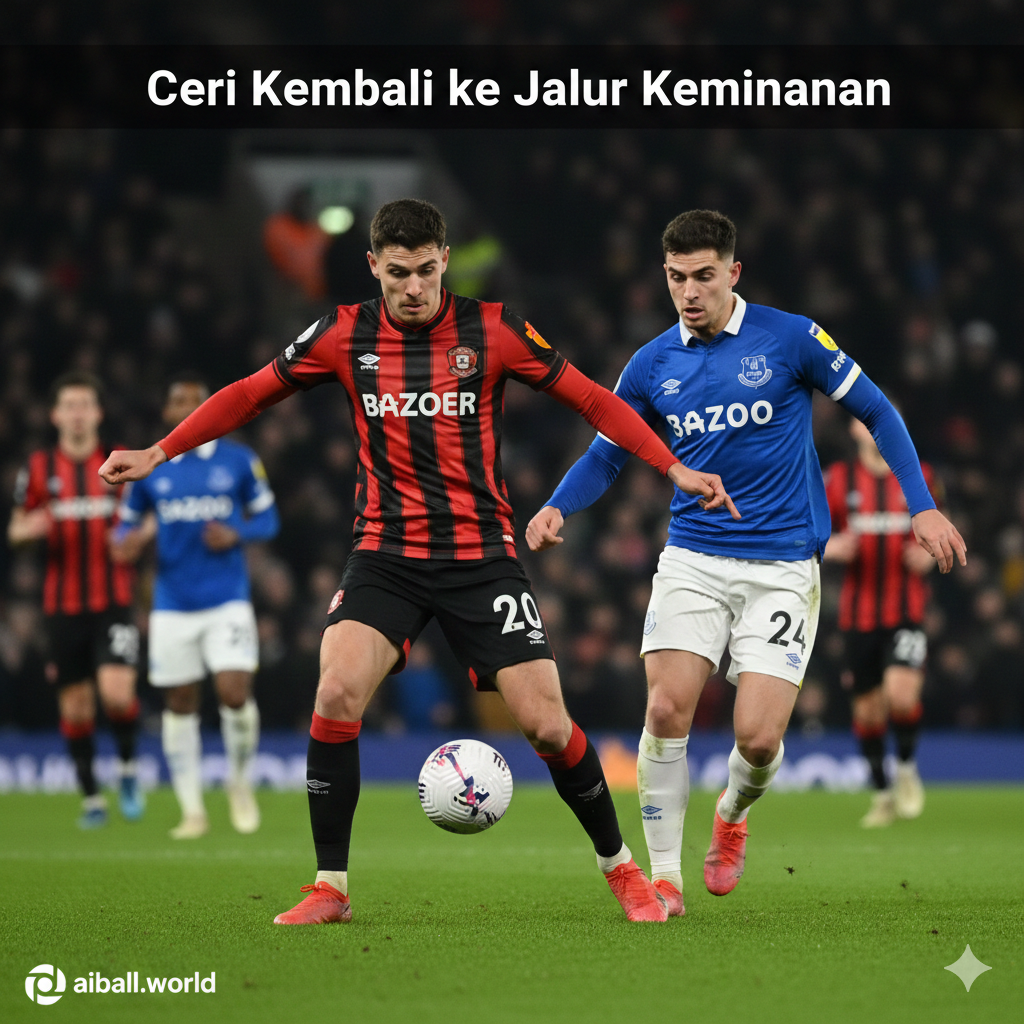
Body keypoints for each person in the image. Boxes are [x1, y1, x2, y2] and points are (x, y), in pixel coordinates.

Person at [99, 198, 737, 925]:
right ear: (373, 266)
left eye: (427, 271)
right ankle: (330, 887)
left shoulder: (492, 329)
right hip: (385, 554)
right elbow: (251, 394)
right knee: (336, 692)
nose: (413, 288)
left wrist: (672, 467)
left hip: (480, 557)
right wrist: (159, 451)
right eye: (397, 273)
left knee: (548, 727)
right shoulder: (343, 333)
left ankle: (621, 869)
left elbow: (592, 400)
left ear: (443, 260)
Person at [527, 209, 965, 916]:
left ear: (733, 272)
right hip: (694, 557)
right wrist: (556, 506)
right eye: (676, 278)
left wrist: (921, 504)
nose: (689, 292)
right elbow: (609, 450)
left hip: (783, 566)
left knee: (758, 739)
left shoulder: (790, 338)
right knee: (667, 706)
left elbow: (879, 411)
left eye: (704, 276)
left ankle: (732, 814)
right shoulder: (651, 364)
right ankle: (664, 879)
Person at [111, 373, 280, 839]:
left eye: (196, 401)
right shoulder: (151, 469)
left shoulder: (240, 462)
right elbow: (124, 528)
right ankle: (192, 810)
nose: (186, 407)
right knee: (179, 701)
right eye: (178, 401)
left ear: (211, 409)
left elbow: (269, 518)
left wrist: (238, 533)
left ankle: (239, 781)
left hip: (226, 599)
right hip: (171, 603)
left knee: (233, 692)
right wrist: (124, 544)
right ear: (167, 413)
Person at [8, 371, 144, 828]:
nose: (78, 412)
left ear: (98, 412)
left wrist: (138, 538)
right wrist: (29, 530)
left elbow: (148, 519)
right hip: (62, 607)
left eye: (85, 404)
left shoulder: (121, 464)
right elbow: (15, 529)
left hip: (114, 601)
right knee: (77, 707)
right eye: (70, 405)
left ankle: (127, 770)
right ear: (55, 414)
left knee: (118, 695)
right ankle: (91, 798)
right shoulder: (40, 467)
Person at [823, 416, 939, 827]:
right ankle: (882, 793)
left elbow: (941, 526)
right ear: (854, 430)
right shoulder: (838, 479)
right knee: (869, 713)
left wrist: (930, 554)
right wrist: (830, 546)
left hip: (906, 611)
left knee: (902, 696)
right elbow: (808, 530)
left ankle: (906, 768)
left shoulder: (919, 475)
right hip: (858, 617)